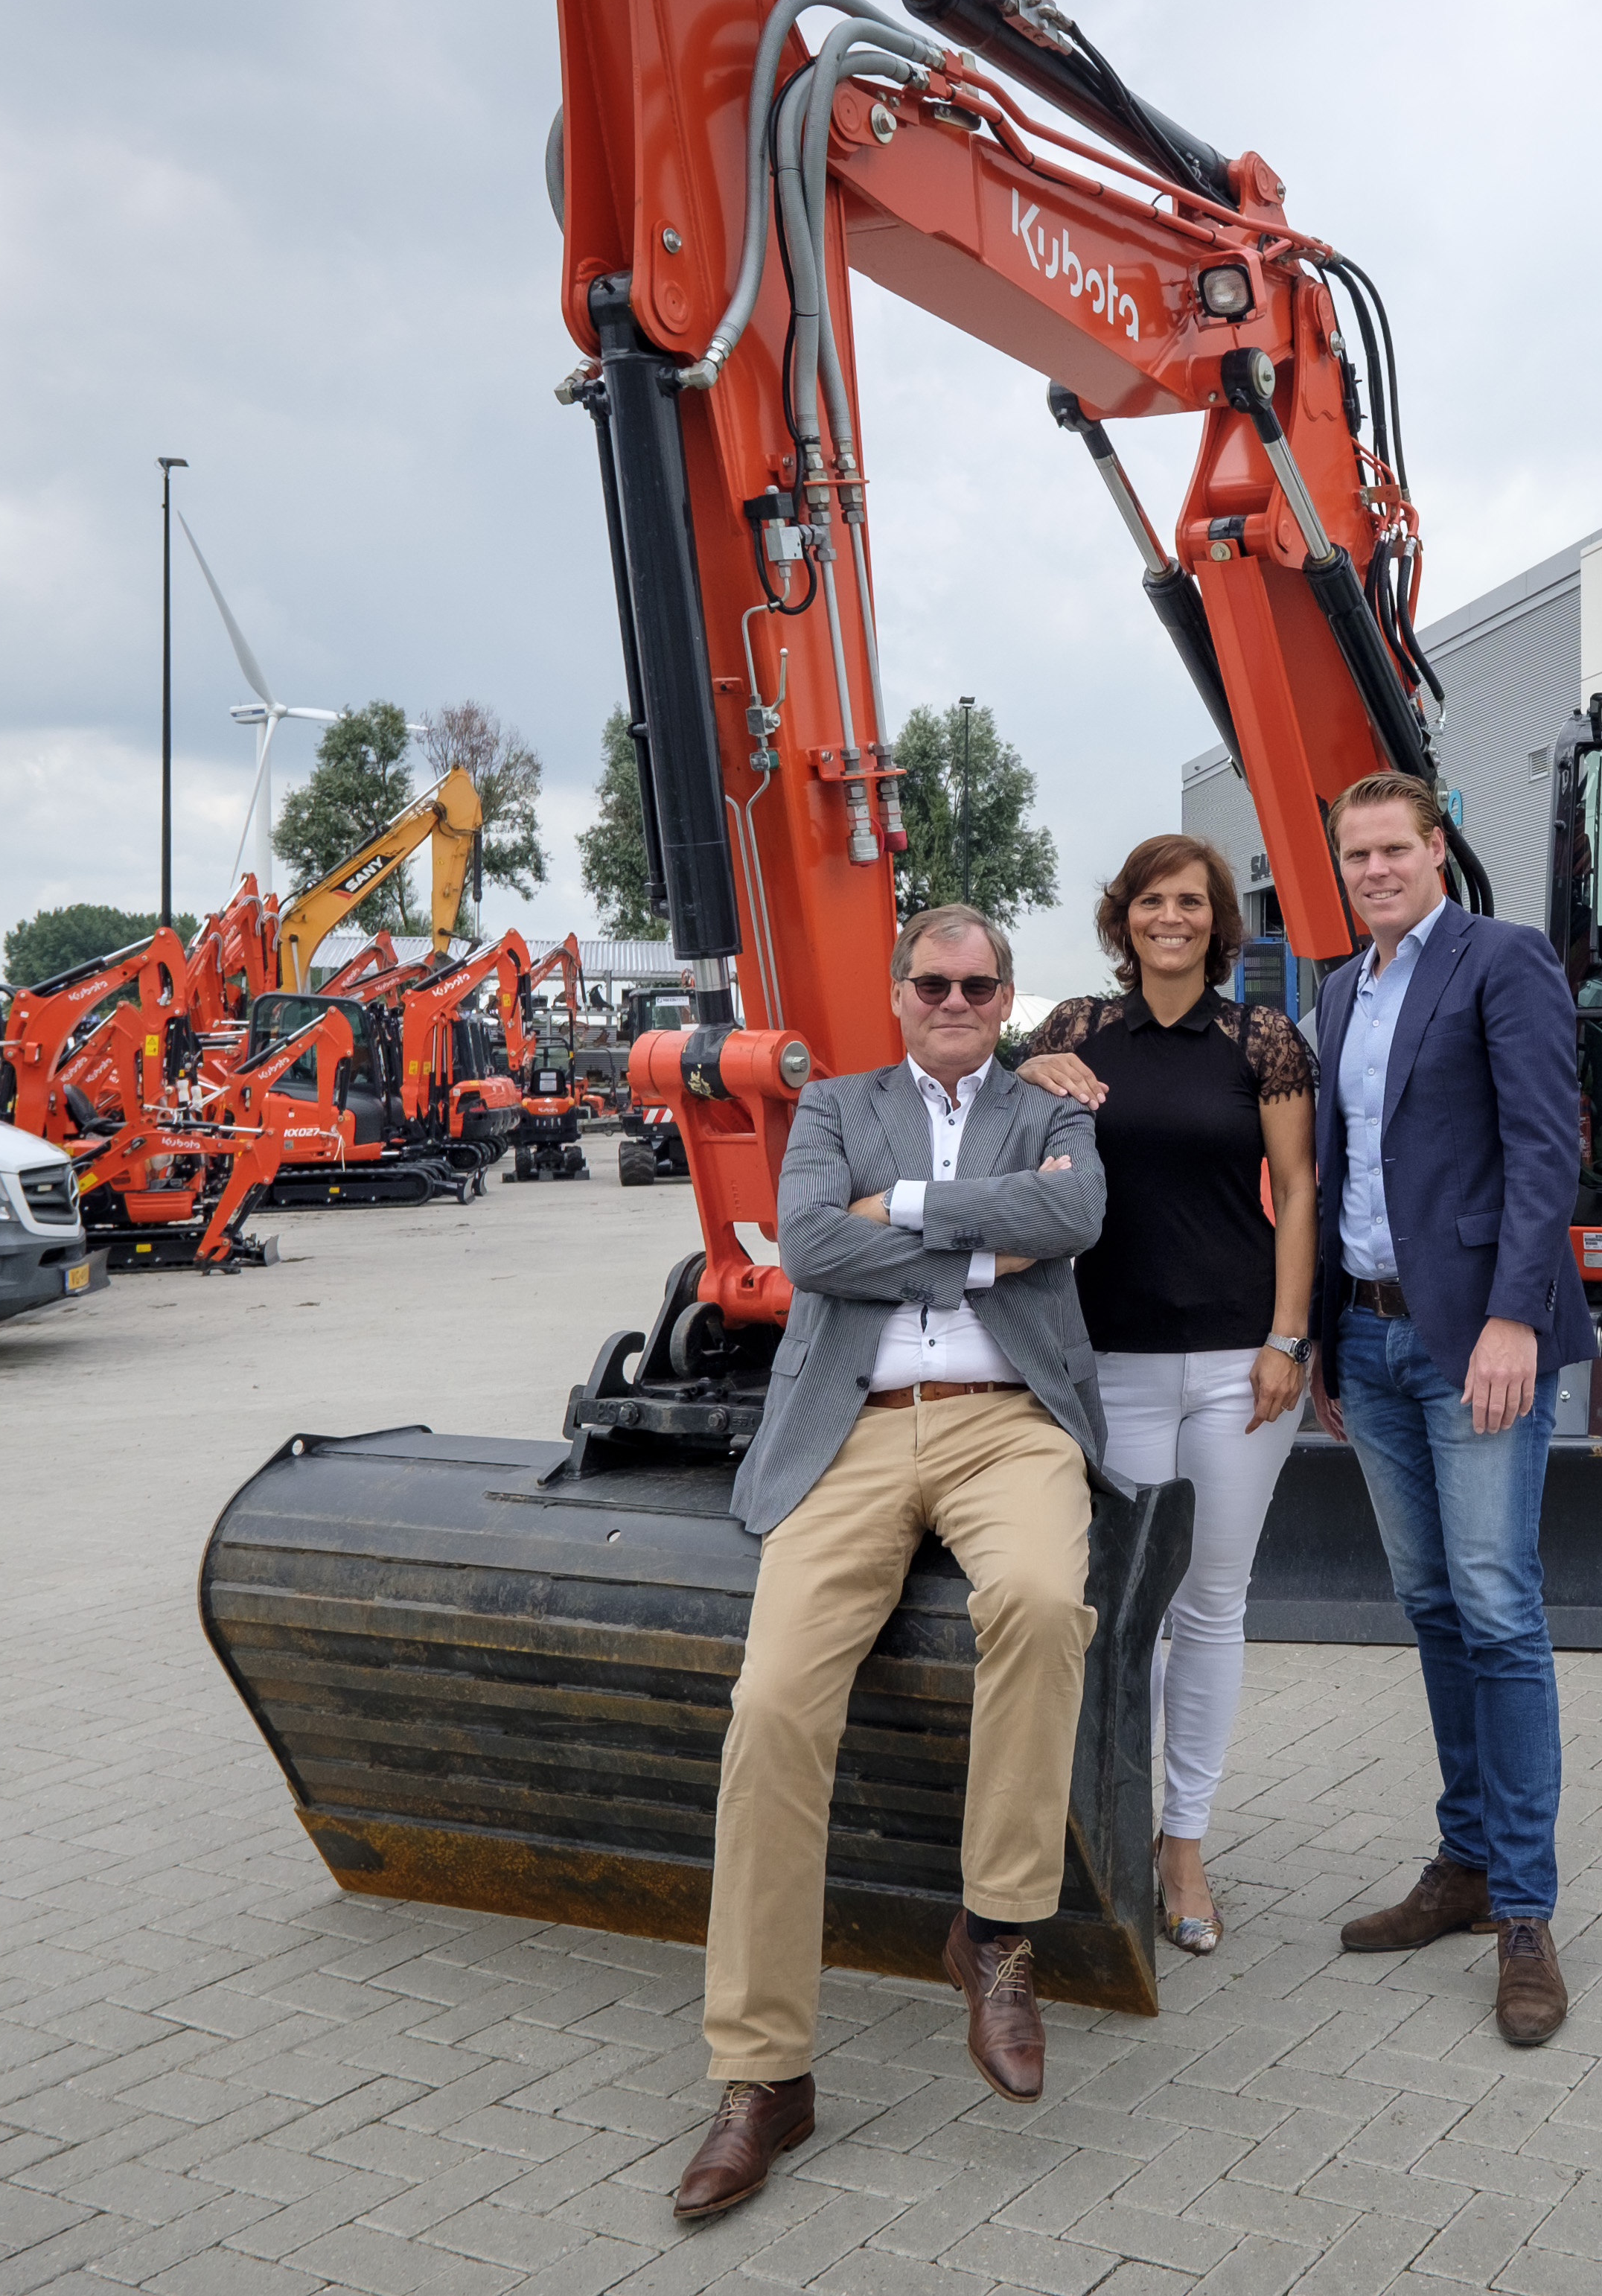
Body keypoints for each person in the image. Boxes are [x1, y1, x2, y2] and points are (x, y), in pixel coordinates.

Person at [669, 904, 1107, 2224]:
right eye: (935, 980)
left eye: (980, 982)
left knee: (1039, 1602)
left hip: (1006, 1424)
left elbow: (1077, 1211)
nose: (957, 998)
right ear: (898, 988)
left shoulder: (1050, 1105)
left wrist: (903, 1215)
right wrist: (986, 1239)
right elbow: (808, 1245)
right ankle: (764, 2074)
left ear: (1008, 994)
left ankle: (996, 1929)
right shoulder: (836, 1106)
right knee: (770, 1712)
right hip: (851, 1432)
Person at [1306, 773, 1600, 2047]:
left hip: (1475, 1340)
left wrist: (1513, 1316)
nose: (1373, 869)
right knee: (1429, 1602)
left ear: (1437, 852)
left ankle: (1526, 1910)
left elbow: (1547, 1146)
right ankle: (1466, 1858)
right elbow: (1335, 1168)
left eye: (1392, 849)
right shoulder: (1335, 988)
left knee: (1495, 1602)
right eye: (1354, 854)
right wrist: (1318, 1332)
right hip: (1365, 1337)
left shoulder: (1501, 959)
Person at [1011, 835, 1318, 1957]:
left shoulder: (1263, 1040)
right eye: (1152, 899)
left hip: (1243, 1362)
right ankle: (1108, 1822)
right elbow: (1006, 1147)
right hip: (1112, 1363)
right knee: (1120, 1614)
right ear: (1122, 915)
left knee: (1211, 1605)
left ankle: (1182, 1844)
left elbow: (1293, 1187)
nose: (1172, 917)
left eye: (1191, 901)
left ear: (1217, 918)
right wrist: (1020, 1077)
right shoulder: (1074, 1035)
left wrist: (1290, 1336)